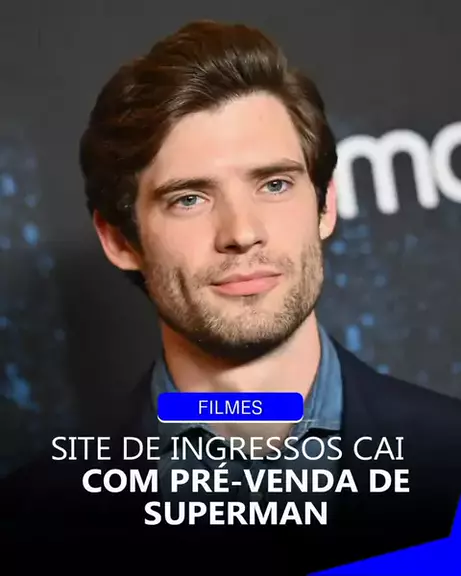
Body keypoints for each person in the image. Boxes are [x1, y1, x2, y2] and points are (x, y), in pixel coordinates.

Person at [2, 19, 461, 575]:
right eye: (189, 198)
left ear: (326, 206)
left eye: (274, 184)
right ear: (120, 240)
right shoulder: (32, 527)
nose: (242, 232)